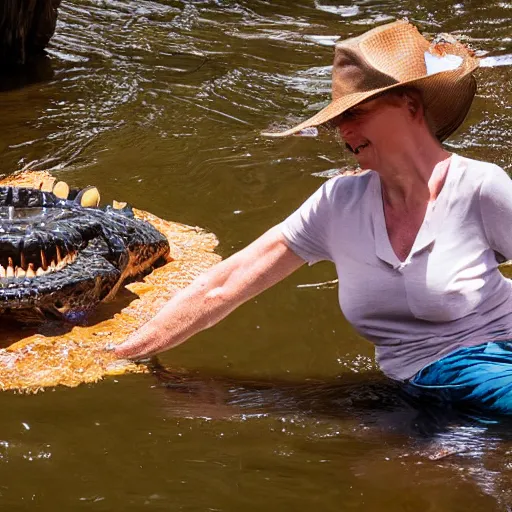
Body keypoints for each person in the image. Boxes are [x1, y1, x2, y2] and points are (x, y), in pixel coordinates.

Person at [114, 20, 512, 415]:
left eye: (357, 112)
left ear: (410, 106)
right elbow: (224, 284)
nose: (344, 130)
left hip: (494, 367)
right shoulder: (338, 204)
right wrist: (122, 353)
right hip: (419, 393)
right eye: (339, 118)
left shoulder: (479, 186)